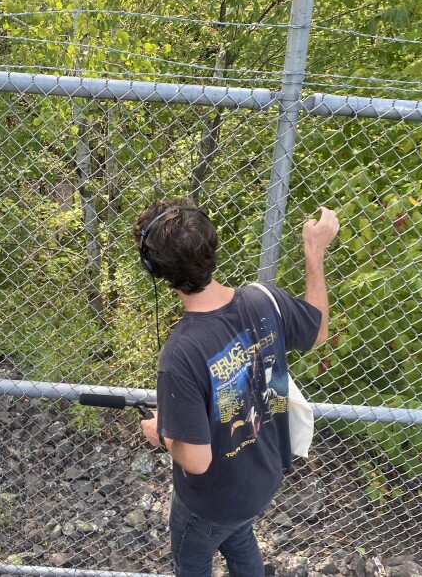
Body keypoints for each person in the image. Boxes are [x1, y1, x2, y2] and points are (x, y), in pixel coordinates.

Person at [133, 199, 339, 577]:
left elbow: (196, 461)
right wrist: (315, 250)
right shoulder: (264, 299)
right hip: (263, 475)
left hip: (212, 501)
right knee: (240, 536)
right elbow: (319, 331)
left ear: (155, 269)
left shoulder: (181, 353)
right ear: (211, 246)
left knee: (194, 559)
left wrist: (160, 434)